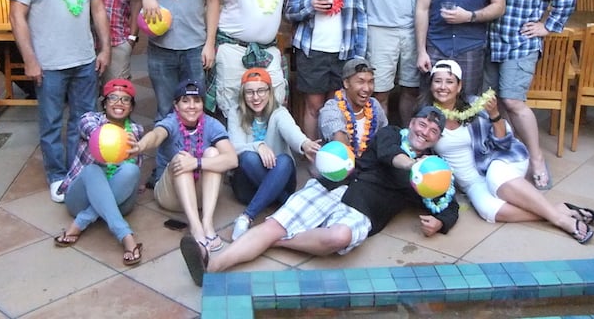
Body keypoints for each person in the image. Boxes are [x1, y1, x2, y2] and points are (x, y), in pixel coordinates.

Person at [179, 105, 457, 287]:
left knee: (339, 237)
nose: (425, 133)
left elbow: (448, 202)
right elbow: (389, 155)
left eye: (433, 131)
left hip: (365, 210)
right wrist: (413, 166)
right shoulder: (392, 134)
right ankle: (212, 266)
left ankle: (272, 241)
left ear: (437, 138)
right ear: (412, 122)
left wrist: (440, 222)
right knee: (274, 225)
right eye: (422, 124)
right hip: (333, 186)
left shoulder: (434, 170)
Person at [422, 59, 594, 245]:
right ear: (431, 85)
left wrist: (494, 114)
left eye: (449, 81)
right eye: (438, 81)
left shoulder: (475, 105)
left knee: (495, 178)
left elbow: (504, 142)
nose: (443, 87)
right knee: (487, 211)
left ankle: (562, 221)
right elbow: (415, 146)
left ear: (459, 86)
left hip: (500, 160)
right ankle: (559, 210)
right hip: (472, 182)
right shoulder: (426, 116)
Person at [8, 0, 110, 203]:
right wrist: (29, 59)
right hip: (48, 63)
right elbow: (17, 16)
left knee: (83, 120)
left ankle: (79, 171)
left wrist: (104, 48)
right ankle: (56, 175)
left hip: (84, 60)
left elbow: (98, 9)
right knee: (51, 122)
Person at [486, 0, 576, 190]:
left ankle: (536, 160)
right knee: (494, 103)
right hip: (490, 43)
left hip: (520, 44)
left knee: (512, 101)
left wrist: (547, 26)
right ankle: (508, 154)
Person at [285, 0, 367, 140]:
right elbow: (289, 12)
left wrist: (359, 56)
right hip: (312, 52)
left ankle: (333, 153)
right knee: (314, 106)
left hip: (343, 52)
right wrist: (310, 6)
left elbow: (360, 18)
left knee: (336, 107)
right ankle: (312, 152)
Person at [135, 79, 237, 252]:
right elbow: (156, 135)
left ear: (203, 104)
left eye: (197, 101)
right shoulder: (171, 122)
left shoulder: (211, 124)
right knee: (182, 158)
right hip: (170, 196)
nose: (191, 106)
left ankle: (207, 224)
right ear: (176, 105)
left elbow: (232, 159)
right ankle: (196, 227)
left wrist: (196, 163)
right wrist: (141, 145)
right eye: (185, 101)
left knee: (213, 153)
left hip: (201, 196)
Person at [54, 79, 145, 266]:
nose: (119, 103)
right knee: (92, 170)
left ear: (131, 107)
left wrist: (132, 146)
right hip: (81, 198)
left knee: (131, 170)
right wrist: (117, 140)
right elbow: (96, 134)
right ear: (104, 103)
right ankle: (126, 236)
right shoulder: (89, 120)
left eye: (125, 99)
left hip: (119, 200)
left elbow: (131, 170)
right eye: (113, 98)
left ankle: (81, 222)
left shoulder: (136, 131)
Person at [227, 67, 320, 240]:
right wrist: (259, 146)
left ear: (269, 92)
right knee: (248, 157)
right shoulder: (236, 113)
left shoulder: (279, 112)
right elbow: (234, 147)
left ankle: (246, 217)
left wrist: (305, 143)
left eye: (261, 90)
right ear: (243, 94)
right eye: (250, 92)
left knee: (285, 160)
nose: (256, 97)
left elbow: (291, 130)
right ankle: (290, 205)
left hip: (280, 177)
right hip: (247, 187)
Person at [318, 58, 388, 158]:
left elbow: (385, 135)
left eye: (370, 82)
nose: (367, 88)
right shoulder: (332, 108)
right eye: (360, 82)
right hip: (341, 163)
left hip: (370, 163)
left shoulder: (375, 105)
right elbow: (339, 143)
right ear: (346, 83)